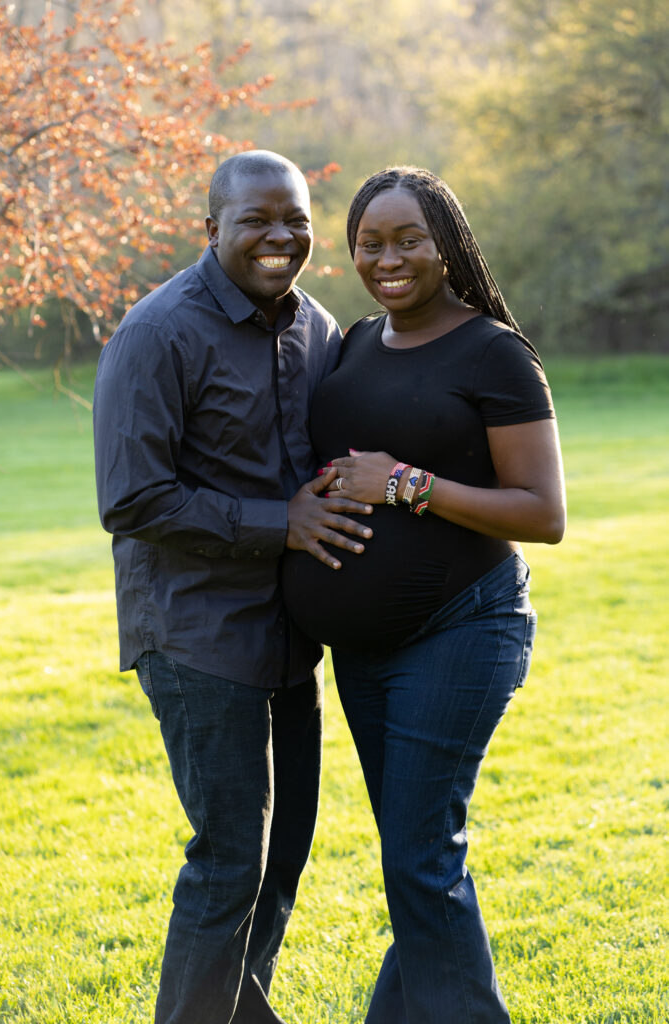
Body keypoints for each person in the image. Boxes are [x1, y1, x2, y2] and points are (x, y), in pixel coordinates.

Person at [93, 150, 373, 1024]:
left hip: (287, 632)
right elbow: (131, 499)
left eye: (293, 218)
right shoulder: (158, 332)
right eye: (255, 219)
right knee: (226, 863)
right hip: (195, 633)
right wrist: (276, 523)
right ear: (210, 228)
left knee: (281, 855)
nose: (279, 235)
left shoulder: (315, 327)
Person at [282, 166, 566, 1023]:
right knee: (414, 856)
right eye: (370, 243)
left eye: (408, 239)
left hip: (460, 628)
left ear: (447, 246)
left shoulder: (493, 352)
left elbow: (541, 514)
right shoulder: (356, 341)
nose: (388, 258)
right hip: (361, 650)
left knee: (418, 857)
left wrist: (404, 483)